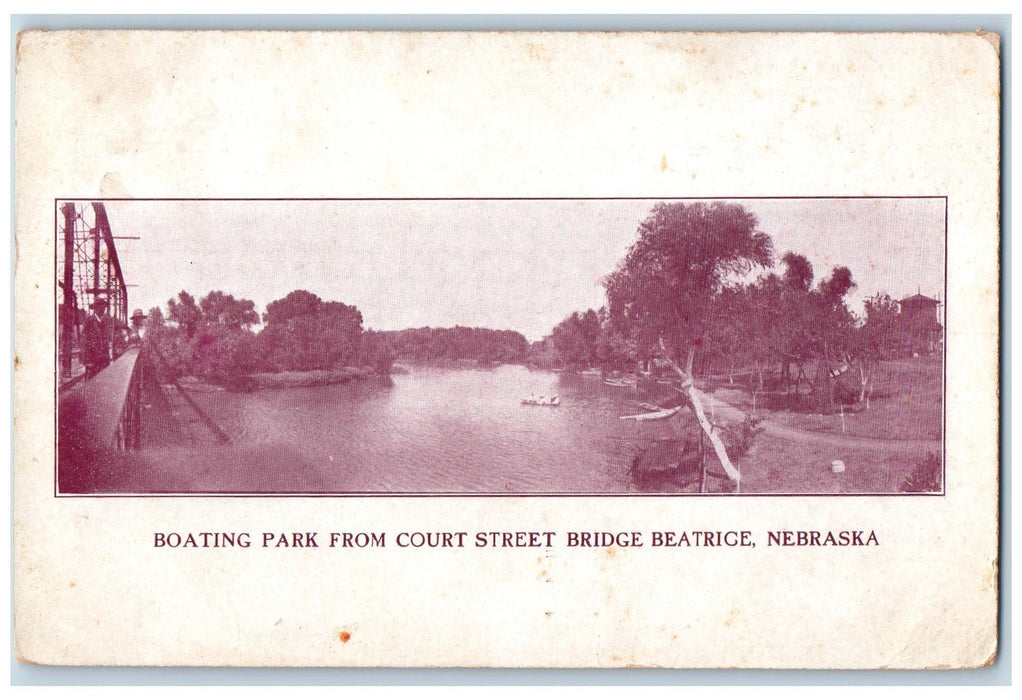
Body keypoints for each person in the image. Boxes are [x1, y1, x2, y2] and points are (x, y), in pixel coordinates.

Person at [81, 298, 113, 378]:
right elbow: (84, 341)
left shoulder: (106, 320)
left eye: (104, 307)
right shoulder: (89, 321)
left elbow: (108, 338)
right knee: (93, 381)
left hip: (104, 358)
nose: (103, 309)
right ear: (95, 308)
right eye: (101, 307)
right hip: (92, 358)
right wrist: (87, 360)